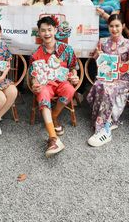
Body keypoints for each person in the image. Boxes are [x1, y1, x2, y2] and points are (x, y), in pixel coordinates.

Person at [86, 14, 129, 147]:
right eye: (111, 26)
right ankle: (108, 120)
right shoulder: (103, 41)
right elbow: (96, 59)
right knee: (100, 84)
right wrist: (97, 55)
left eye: (117, 26)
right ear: (108, 27)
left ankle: (103, 129)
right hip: (106, 76)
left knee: (108, 88)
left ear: (123, 26)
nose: (114, 29)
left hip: (123, 79)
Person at [28, 16, 80, 157]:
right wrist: (34, 84)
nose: (47, 33)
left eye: (49, 30)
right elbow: (33, 75)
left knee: (70, 90)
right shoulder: (36, 54)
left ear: (55, 30)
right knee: (42, 93)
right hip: (46, 84)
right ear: (39, 33)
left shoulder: (66, 49)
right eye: (43, 30)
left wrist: (74, 76)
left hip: (62, 82)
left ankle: (54, 116)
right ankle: (53, 138)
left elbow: (73, 68)